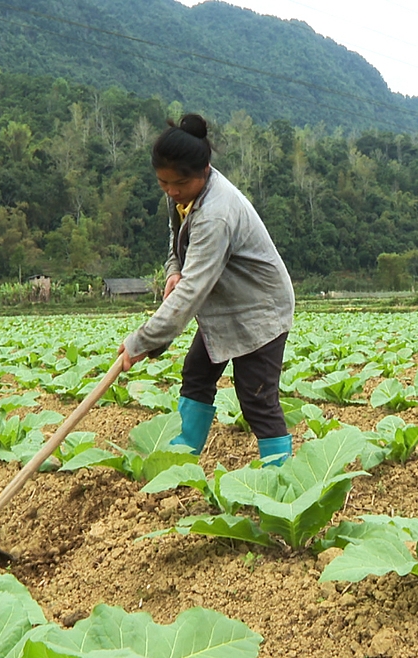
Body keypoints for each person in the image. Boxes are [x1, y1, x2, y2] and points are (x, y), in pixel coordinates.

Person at [118, 114, 296, 465]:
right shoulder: (183, 192)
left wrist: (143, 341)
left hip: (260, 308)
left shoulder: (217, 213)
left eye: (179, 183)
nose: (171, 191)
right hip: (226, 304)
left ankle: (282, 478)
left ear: (205, 170)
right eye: (163, 182)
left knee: (256, 397)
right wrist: (174, 270)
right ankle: (182, 458)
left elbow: (191, 294)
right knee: (197, 373)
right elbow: (177, 238)